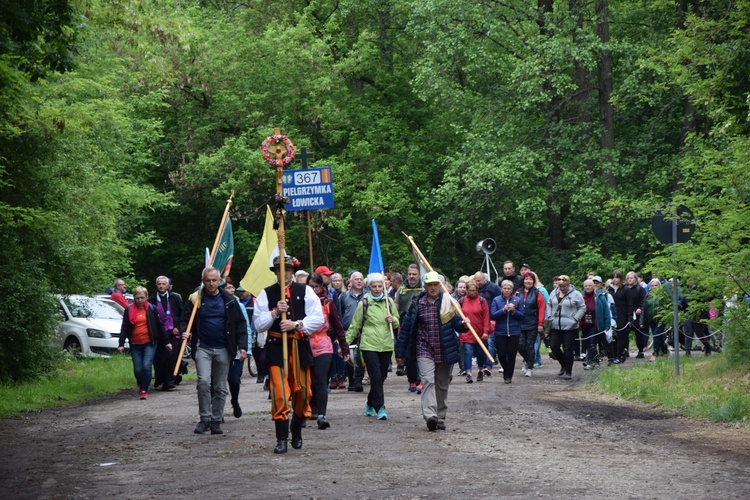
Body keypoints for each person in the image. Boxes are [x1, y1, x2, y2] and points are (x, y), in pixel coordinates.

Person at [253, 255, 324, 454]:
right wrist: (275, 313)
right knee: (280, 394)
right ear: (274, 272)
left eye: (287, 270)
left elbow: (317, 318)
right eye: (279, 270)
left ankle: (296, 429)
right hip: (277, 347)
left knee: (304, 393)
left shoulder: (305, 291)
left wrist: (296, 324)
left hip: (299, 346)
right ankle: (281, 438)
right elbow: (258, 324)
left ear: (292, 272)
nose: (283, 274)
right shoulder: (266, 294)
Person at [396, 271, 468, 432]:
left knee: (442, 384)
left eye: (436, 285)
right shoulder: (417, 304)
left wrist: (464, 324)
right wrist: (400, 353)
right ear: (425, 286)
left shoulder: (448, 302)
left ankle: (440, 416)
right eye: (430, 285)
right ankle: (430, 416)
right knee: (428, 381)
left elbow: (457, 324)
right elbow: (406, 330)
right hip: (424, 349)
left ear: (440, 286)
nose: (434, 288)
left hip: (444, 348)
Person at [180, 266, 248, 435]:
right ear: (203, 281)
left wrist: (243, 346)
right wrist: (184, 331)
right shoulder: (196, 299)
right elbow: (184, 319)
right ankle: (205, 419)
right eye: (208, 280)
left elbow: (240, 324)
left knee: (219, 386)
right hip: (203, 347)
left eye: (214, 280)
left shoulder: (230, 301)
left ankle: (216, 420)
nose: (211, 283)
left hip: (224, 348)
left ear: (220, 281)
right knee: (203, 382)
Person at [346, 272, 399, 420]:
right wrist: (344, 344)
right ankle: (380, 407)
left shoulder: (388, 302)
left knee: (381, 377)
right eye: (374, 286)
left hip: (386, 345)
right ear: (368, 287)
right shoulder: (364, 303)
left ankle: (370, 402)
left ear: (383, 286)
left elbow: (397, 321)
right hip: (369, 345)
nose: (377, 289)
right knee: (375, 376)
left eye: (379, 286)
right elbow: (355, 325)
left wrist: (392, 319)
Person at [307, 272, 349, 429]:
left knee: (320, 378)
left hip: (324, 343)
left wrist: (344, 348)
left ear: (322, 287)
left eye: (316, 287)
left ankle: (322, 414)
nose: (314, 290)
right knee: (307, 379)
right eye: (310, 287)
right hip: (306, 343)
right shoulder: (301, 304)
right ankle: (308, 408)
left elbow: (338, 326)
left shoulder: (328, 303)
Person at [118, 286, 169, 400]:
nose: (140, 300)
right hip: (135, 343)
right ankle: (141, 382)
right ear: (134, 298)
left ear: (146, 297)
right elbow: (124, 327)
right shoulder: (129, 310)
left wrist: (166, 342)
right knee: (138, 369)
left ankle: (144, 390)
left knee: (146, 366)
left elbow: (159, 326)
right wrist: (121, 344)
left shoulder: (151, 308)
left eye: (142, 298)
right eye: (137, 298)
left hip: (149, 343)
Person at [222, 277, 252, 419]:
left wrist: (246, 348)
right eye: (227, 287)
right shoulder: (213, 303)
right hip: (219, 348)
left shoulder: (237, 304)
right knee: (217, 383)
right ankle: (217, 411)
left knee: (234, 380)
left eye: (232, 287)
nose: (231, 290)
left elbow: (244, 326)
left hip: (234, 350)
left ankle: (235, 400)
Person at [149, 275, 184, 391]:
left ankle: (169, 379)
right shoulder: (152, 300)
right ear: (156, 286)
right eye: (159, 284)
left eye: (163, 284)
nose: (161, 286)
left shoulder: (175, 298)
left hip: (173, 333)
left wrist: (178, 327)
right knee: (160, 358)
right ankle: (161, 378)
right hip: (159, 334)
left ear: (168, 286)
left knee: (171, 356)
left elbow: (182, 315)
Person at [547, 275, 585, 380]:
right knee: (554, 346)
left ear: (569, 284)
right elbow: (549, 304)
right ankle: (563, 364)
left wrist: (575, 319)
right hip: (555, 325)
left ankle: (569, 371)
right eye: (560, 286)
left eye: (564, 286)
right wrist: (549, 316)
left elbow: (582, 307)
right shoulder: (553, 293)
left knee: (568, 348)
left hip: (570, 326)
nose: (562, 288)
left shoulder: (576, 294)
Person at [396, 264, 424, 393]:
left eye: (414, 274)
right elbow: (396, 305)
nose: (411, 276)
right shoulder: (401, 289)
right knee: (408, 355)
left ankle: (420, 380)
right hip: (405, 324)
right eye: (410, 274)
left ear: (419, 274)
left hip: (420, 325)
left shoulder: (424, 288)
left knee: (420, 353)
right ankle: (412, 379)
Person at [490, 280, 524, 383]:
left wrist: (514, 311)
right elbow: (493, 315)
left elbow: (522, 316)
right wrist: (503, 310)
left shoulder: (517, 300)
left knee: (512, 354)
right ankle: (505, 369)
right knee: (501, 353)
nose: (506, 290)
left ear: (512, 290)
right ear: (501, 289)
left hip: (514, 331)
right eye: (504, 288)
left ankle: (509, 376)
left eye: (508, 288)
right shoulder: (496, 300)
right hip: (500, 331)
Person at [458, 278, 490, 383]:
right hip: (467, 332)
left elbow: (486, 317)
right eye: (469, 290)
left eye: (473, 290)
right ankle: (468, 373)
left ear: (477, 290)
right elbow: (457, 316)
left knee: (480, 353)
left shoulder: (482, 301)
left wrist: (486, 331)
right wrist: (462, 323)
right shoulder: (462, 301)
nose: (471, 292)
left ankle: (481, 370)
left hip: (479, 332)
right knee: (468, 352)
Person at [339, 271, 366, 392]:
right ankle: (351, 380)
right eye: (356, 279)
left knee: (360, 357)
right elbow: (339, 314)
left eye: (361, 279)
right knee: (348, 356)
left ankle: (358, 381)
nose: (359, 281)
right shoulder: (343, 296)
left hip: (363, 331)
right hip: (348, 331)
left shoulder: (367, 296)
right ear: (350, 281)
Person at [474, 271, 502, 377]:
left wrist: (497, 315)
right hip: (479, 321)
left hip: (491, 319)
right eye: (476, 281)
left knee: (490, 342)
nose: (478, 283)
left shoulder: (493, 287)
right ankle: (483, 363)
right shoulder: (475, 289)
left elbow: (500, 300)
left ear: (484, 279)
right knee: (482, 343)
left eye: (479, 281)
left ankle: (488, 365)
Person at [580, 278, 612, 370]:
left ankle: (590, 361)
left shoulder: (600, 296)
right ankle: (596, 360)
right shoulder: (580, 296)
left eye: (590, 285)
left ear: (593, 286)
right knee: (587, 342)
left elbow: (606, 310)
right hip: (584, 323)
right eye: (586, 286)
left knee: (592, 341)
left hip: (596, 324)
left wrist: (607, 324)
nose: (588, 287)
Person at [518, 271, 545, 377]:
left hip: (532, 323)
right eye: (526, 279)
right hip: (520, 323)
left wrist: (540, 323)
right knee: (520, 345)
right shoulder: (518, 292)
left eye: (530, 279)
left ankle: (530, 367)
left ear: (533, 281)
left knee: (530, 346)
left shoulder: (537, 293)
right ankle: (527, 359)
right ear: (523, 280)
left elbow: (542, 308)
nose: (528, 281)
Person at [640, 278, 668, 361]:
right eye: (652, 286)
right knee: (659, 337)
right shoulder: (647, 296)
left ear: (659, 286)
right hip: (651, 320)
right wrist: (642, 321)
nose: (654, 287)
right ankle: (665, 351)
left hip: (661, 320)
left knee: (656, 335)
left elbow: (667, 308)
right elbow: (644, 309)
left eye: (656, 285)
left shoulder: (663, 296)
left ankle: (655, 353)